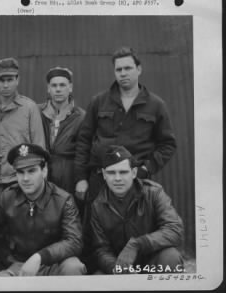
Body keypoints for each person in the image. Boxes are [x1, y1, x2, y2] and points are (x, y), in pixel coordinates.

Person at [74, 46, 177, 203]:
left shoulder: (156, 105)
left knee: (136, 226)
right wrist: (81, 177)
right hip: (100, 180)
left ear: (139, 69)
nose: (123, 73)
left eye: (128, 68)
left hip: (136, 181)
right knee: (96, 226)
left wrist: (146, 168)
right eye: (118, 69)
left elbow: (167, 144)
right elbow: (84, 140)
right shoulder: (99, 101)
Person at [0, 143, 86, 276]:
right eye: (20, 172)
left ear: (44, 171)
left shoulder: (63, 200)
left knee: (73, 266)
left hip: (51, 264)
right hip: (17, 265)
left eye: (31, 171)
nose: (25, 178)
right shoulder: (7, 197)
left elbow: (74, 241)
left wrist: (40, 257)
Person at [89, 145, 184, 274]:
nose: (117, 178)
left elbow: (175, 229)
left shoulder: (153, 193)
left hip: (151, 264)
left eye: (123, 172)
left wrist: (139, 244)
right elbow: (101, 249)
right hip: (120, 267)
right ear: (104, 174)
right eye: (111, 173)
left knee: (170, 257)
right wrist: (116, 268)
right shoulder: (98, 205)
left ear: (133, 173)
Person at [0, 57, 45, 212]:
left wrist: (39, 178)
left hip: (22, 179)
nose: (6, 85)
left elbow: (39, 146)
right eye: (1, 80)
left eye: (10, 79)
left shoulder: (29, 108)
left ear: (18, 79)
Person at [39, 66, 85, 195]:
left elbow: (83, 152)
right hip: (42, 176)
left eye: (62, 85)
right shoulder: (36, 112)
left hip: (69, 177)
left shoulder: (81, 117)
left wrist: (81, 179)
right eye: (54, 85)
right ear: (48, 88)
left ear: (70, 87)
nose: (58, 89)